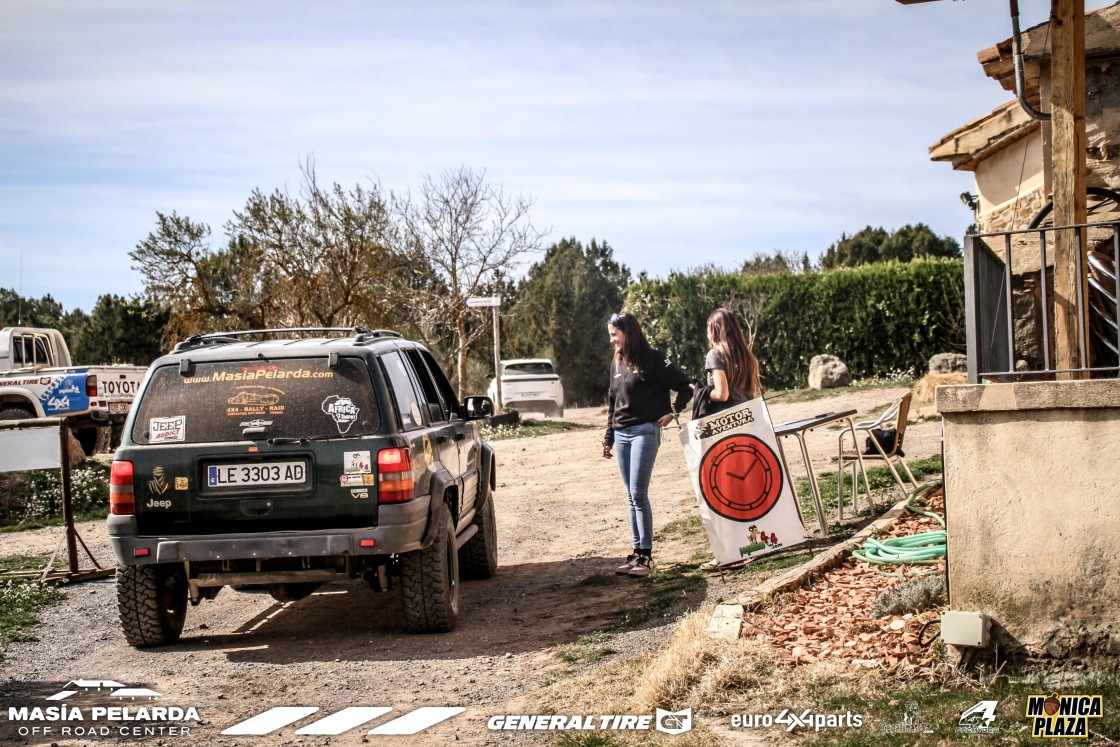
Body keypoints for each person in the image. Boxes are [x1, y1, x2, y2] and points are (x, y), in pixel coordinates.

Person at [602, 311, 692, 577]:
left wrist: (674, 411)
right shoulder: (616, 361)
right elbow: (612, 402)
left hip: (645, 431)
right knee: (631, 496)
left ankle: (647, 558)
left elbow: (685, 385)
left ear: (628, 333)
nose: (612, 341)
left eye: (614, 335)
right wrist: (608, 438)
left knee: (639, 494)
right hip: (621, 434)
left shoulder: (654, 358)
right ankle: (636, 553)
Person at [704, 308, 762, 406]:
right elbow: (752, 392)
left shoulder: (714, 355)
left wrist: (703, 393)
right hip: (749, 414)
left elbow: (722, 394)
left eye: (708, 329)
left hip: (728, 417)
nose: (707, 333)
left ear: (714, 330)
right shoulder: (748, 356)